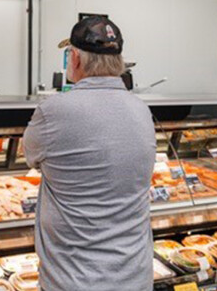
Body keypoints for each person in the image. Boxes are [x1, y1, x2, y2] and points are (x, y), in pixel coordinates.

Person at [23, 16, 156, 291]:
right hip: (136, 276)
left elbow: (30, 157)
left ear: (75, 59)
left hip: (75, 280)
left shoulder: (54, 110)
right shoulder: (141, 109)